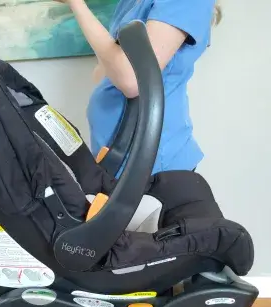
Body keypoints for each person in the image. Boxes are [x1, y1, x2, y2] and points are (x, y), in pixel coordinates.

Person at [57, 0, 221, 176]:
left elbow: (132, 79)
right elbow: (106, 73)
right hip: (116, 158)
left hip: (152, 162)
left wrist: (76, 4)